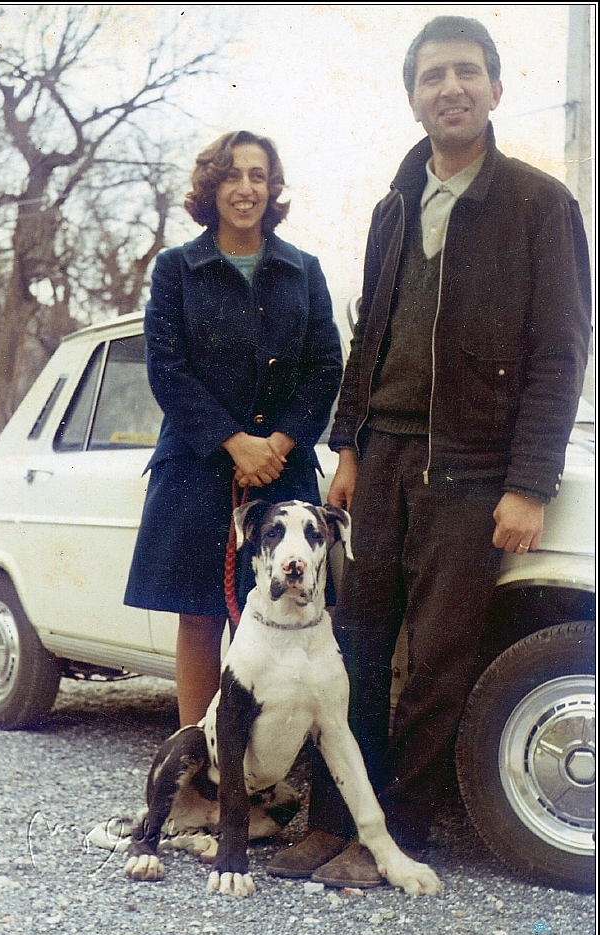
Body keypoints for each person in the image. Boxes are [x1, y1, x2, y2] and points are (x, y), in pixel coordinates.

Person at [267, 16, 591, 886]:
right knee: (358, 653)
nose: (451, 88)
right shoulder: (391, 206)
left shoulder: (539, 202)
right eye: (433, 76)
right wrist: (349, 444)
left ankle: (396, 838)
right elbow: (369, 333)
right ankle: (331, 824)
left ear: (494, 88)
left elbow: (561, 352)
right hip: (383, 461)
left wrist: (529, 482)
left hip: (475, 471)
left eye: (467, 72)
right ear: (412, 96)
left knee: (439, 661)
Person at [125, 131, 343, 727]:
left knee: (288, 616)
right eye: (231, 176)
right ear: (211, 187)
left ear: (273, 188)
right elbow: (166, 369)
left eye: (258, 176)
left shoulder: (304, 271)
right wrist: (233, 442)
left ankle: (264, 776)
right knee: (199, 618)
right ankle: (195, 774)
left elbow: (327, 367)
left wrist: (279, 443)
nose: (245, 189)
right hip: (197, 469)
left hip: (284, 468)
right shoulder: (175, 269)